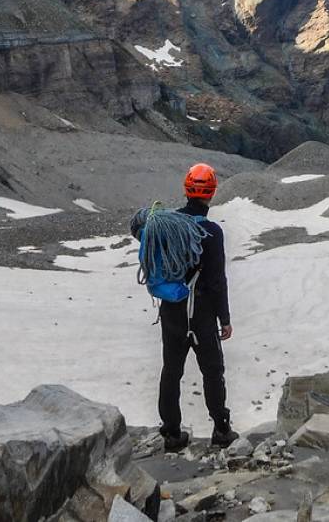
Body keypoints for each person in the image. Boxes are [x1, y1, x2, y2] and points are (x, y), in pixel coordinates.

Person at [130, 163, 237, 451]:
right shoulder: (212, 232)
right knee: (212, 370)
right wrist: (224, 318)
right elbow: (216, 280)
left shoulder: (167, 224)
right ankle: (222, 430)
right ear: (211, 193)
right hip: (201, 312)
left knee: (171, 370)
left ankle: (172, 433)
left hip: (171, 309)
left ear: (186, 190)